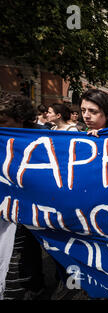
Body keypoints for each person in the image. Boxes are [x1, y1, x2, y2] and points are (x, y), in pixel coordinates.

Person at [0, 91, 47, 300]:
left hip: (33, 206)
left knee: (29, 247)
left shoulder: (43, 137)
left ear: (20, 119)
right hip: (6, 205)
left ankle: (33, 285)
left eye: (3, 121)